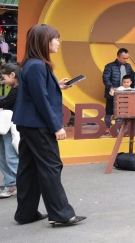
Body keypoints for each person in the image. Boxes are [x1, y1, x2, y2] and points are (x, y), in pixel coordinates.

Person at [13, 24, 86, 226]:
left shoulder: (32, 64)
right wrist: (56, 126)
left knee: (29, 168)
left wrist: (57, 85)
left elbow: (37, 92)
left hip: (28, 123)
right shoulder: (37, 65)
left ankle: (26, 213)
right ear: (45, 41)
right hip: (38, 124)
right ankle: (61, 214)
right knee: (51, 166)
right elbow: (41, 100)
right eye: (55, 39)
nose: (58, 42)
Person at [0, 63, 19, 199]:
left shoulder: (20, 88)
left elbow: (5, 103)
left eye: (3, 78)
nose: (2, 81)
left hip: (10, 126)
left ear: (12, 75)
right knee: (1, 156)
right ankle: (11, 183)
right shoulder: (15, 88)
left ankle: (18, 184)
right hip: (3, 125)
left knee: (10, 156)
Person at [102, 48, 133, 128]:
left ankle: (120, 128)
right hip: (112, 94)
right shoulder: (109, 66)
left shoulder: (128, 66)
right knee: (109, 111)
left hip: (125, 94)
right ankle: (107, 128)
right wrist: (111, 88)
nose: (126, 60)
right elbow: (106, 79)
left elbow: (131, 78)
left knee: (123, 111)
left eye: (127, 58)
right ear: (118, 57)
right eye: (124, 58)